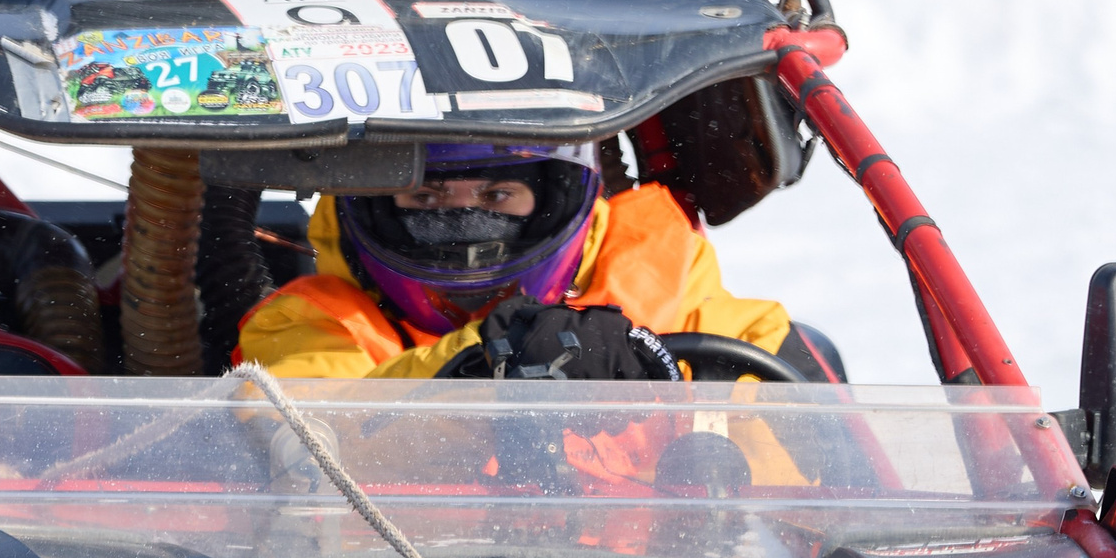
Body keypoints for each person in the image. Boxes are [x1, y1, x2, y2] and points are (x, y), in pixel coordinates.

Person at [232, 142, 792, 380]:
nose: (463, 224)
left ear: (550, 200)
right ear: (374, 208)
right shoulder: (309, 324)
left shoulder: (664, 278)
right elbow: (304, 443)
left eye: (495, 197)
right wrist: (491, 359)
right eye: (427, 200)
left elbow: (800, 458)